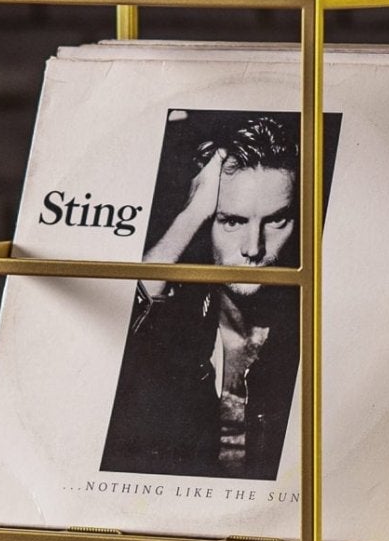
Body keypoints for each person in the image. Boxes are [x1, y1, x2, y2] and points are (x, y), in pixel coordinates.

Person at [100, 114, 303, 480]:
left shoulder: (319, 332)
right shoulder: (172, 334)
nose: (253, 249)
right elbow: (91, 341)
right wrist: (190, 215)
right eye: (232, 221)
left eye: (276, 221)